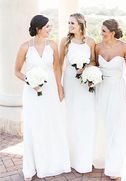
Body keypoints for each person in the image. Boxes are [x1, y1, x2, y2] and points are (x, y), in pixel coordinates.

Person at [14, 15, 70, 180]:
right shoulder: (25, 47)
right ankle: (32, 166)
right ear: (38, 28)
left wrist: (60, 88)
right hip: (32, 92)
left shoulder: (52, 45)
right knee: (34, 126)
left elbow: (57, 68)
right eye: (47, 27)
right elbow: (16, 71)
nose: (50, 30)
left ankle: (54, 162)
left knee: (52, 124)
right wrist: (29, 81)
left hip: (51, 90)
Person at [93, 19, 126, 180]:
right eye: (101, 31)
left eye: (103, 31)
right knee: (102, 122)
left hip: (117, 88)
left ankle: (115, 165)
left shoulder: (124, 47)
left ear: (112, 32)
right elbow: (94, 67)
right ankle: (100, 157)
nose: (101, 34)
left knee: (116, 124)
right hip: (101, 87)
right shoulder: (97, 47)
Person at [59, 13, 96, 173]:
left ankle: (84, 156)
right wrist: (59, 86)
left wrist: (86, 69)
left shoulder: (90, 41)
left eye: (72, 23)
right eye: (68, 23)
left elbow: (94, 60)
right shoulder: (65, 41)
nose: (69, 25)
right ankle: (70, 156)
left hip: (85, 83)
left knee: (86, 117)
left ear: (81, 24)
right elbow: (59, 64)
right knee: (71, 115)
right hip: (70, 81)